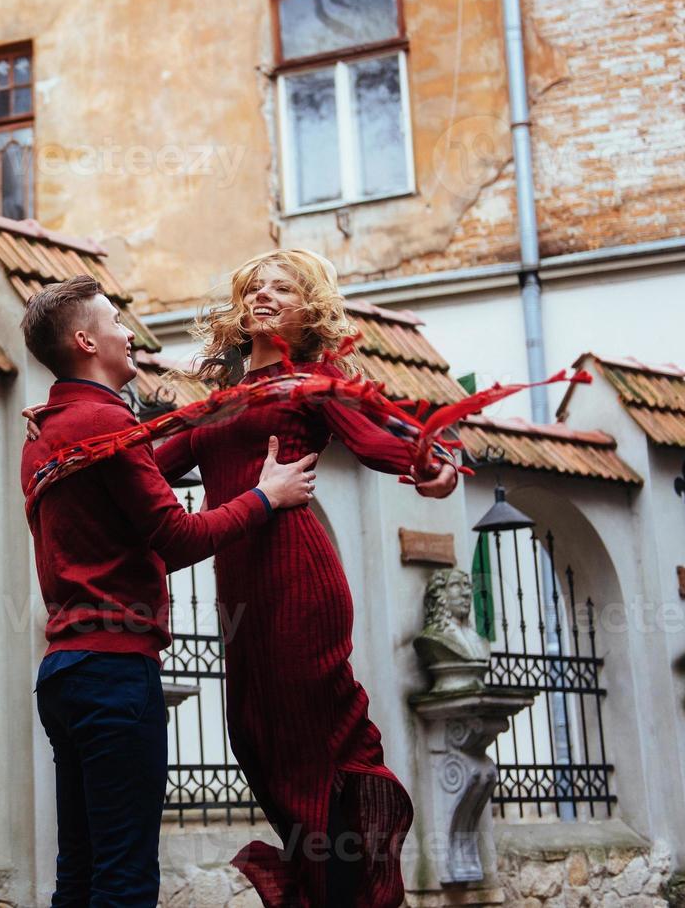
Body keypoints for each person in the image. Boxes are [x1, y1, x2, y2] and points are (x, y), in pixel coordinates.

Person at [154, 248, 458, 907]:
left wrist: (435, 466)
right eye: (253, 286)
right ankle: (326, 881)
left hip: (299, 577)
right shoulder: (222, 398)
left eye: (281, 289)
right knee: (252, 738)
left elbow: (384, 445)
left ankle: (345, 885)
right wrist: (76, 444)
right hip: (240, 589)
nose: (262, 295)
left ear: (309, 310)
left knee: (311, 741)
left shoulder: (311, 386)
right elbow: (153, 463)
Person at [20, 274, 320, 907]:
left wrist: (221, 415)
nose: (129, 332)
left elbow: (136, 483)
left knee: (79, 870)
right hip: (114, 674)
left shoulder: (46, 435)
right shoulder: (105, 421)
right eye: (115, 322)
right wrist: (266, 497)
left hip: (63, 673)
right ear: (85, 340)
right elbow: (175, 535)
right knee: (126, 878)